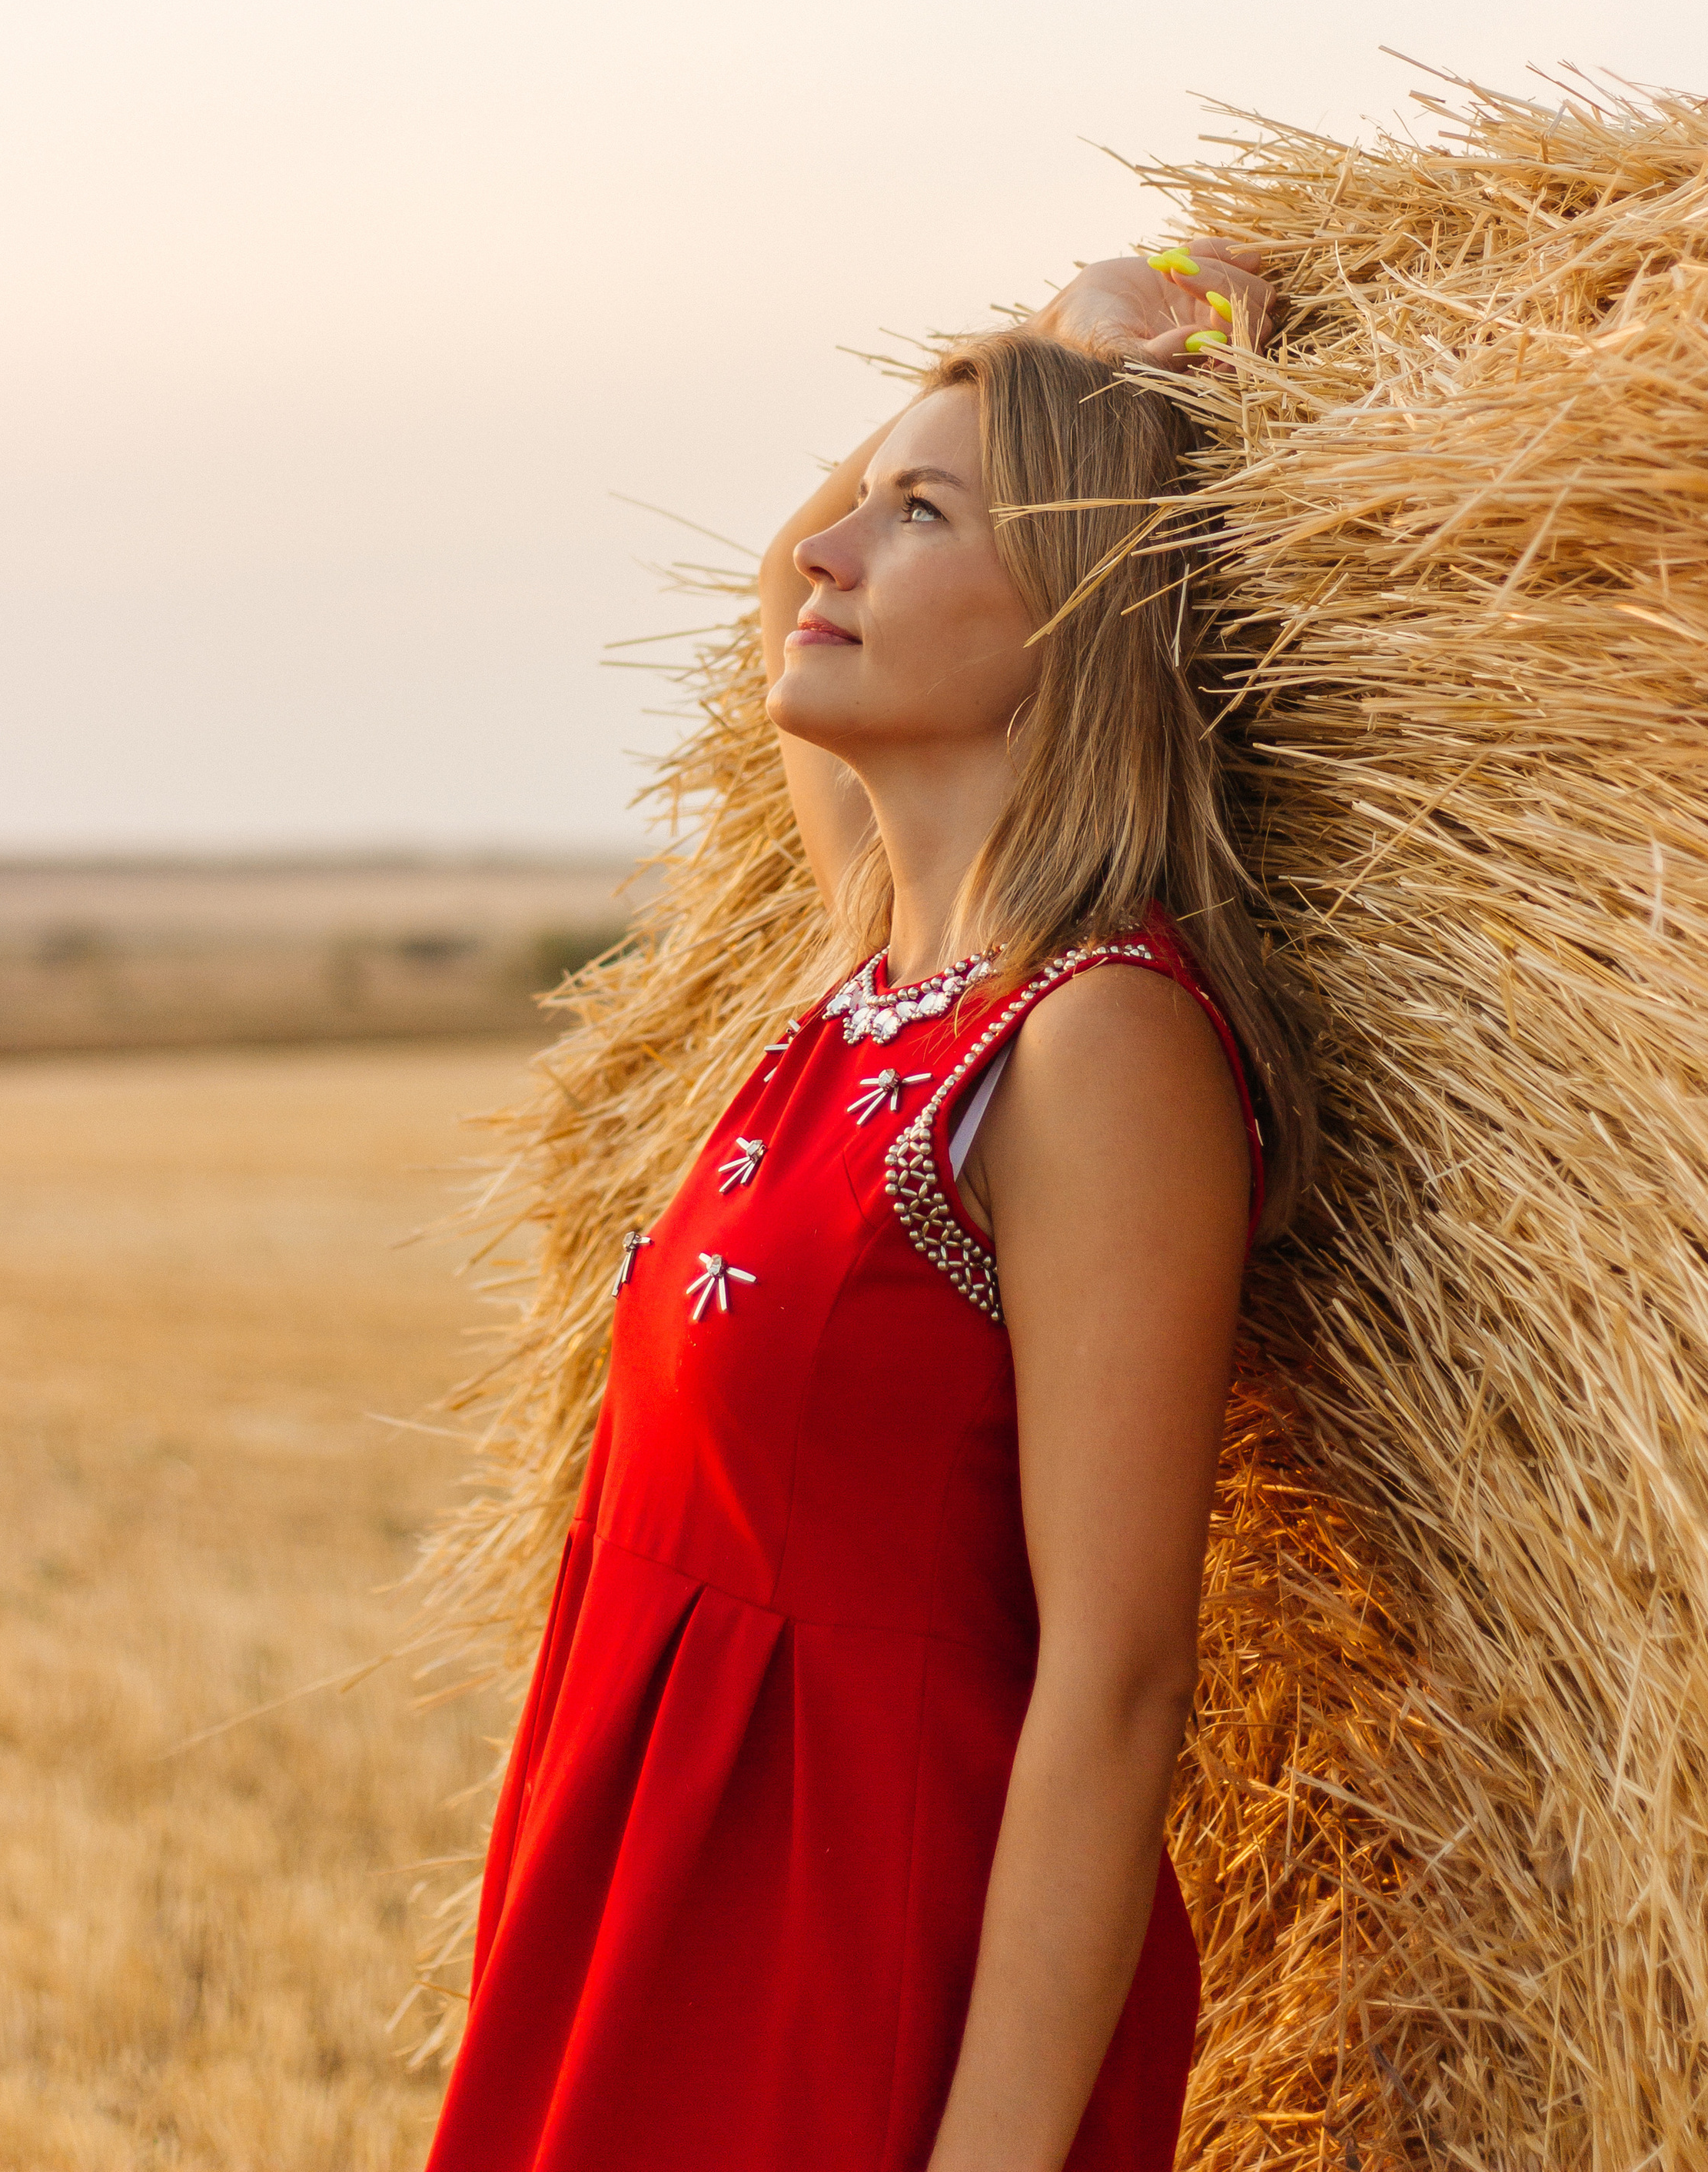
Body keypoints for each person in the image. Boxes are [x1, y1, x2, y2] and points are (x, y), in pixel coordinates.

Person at [423, 240, 1314, 2172]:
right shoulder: (870, 972)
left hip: (853, 1963)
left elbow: (1118, 1679)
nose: (829, 550)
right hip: (649, 1897)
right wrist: (1066, 330)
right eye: (870, 499)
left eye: (916, 517)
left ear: (1076, 607)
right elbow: (783, 579)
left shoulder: (1093, 1047)